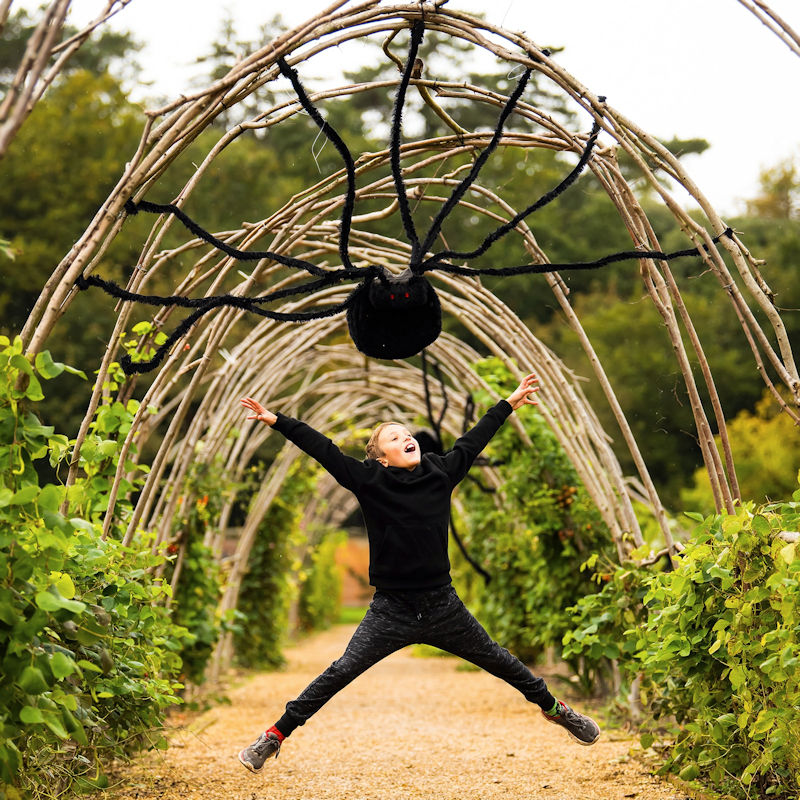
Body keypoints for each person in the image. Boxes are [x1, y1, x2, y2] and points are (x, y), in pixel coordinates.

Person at [237, 373, 600, 774]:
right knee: (340, 672)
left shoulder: (440, 472)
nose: (405, 438)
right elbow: (323, 449)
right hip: (390, 610)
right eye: (393, 437)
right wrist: (276, 420)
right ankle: (274, 736)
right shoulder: (368, 480)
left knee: (502, 661)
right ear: (380, 458)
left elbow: (474, 438)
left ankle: (556, 709)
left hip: (442, 605)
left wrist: (508, 403)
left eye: (406, 433)